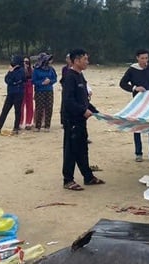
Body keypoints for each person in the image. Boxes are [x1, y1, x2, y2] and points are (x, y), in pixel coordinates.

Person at [61, 48, 104, 191]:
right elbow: (68, 101)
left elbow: (83, 99)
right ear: (76, 60)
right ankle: (68, 180)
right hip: (71, 120)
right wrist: (82, 110)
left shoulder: (80, 76)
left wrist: (94, 110)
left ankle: (88, 176)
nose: (87, 62)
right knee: (71, 150)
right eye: (85, 59)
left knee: (82, 149)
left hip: (81, 121)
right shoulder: (70, 77)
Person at [119, 49, 149, 162]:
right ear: (137, 58)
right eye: (142, 58)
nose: (145, 60)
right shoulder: (132, 70)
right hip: (138, 103)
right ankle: (138, 153)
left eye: (146, 58)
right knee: (137, 127)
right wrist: (134, 88)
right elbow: (122, 83)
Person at [0, 55, 26, 135]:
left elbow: (18, 79)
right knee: (5, 110)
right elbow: (6, 79)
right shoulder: (11, 70)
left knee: (17, 111)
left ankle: (16, 128)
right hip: (10, 93)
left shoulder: (22, 70)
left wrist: (12, 74)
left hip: (19, 93)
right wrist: (11, 75)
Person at [32, 53, 57, 132]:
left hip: (49, 90)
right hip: (39, 91)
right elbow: (33, 81)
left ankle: (47, 126)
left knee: (49, 107)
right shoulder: (36, 70)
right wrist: (41, 83)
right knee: (39, 108)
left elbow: (55, 78)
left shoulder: (51, 69)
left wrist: (50, 81)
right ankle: (37, 126)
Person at [20, 57, 35, 130]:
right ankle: (20, 122)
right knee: (21, 105)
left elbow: (33, 78)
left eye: (27, 62)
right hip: (22, 88)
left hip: (29, 87)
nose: (26, 63)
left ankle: (28, 122)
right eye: (24, 62)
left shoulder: (32, 69)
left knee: (30, 105)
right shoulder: (19, 70)